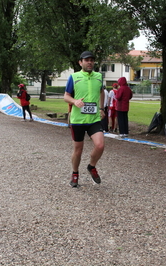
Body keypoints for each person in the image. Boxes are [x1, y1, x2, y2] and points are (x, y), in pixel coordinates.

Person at [64, 51, 105, 187]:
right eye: (86, 60)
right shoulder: (74, 77)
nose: (90, 62)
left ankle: (91, 167)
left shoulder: (99, 76)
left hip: (94, 119)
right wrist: (75, 101)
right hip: (78, 120)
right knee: (78, 150)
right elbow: (66, 96)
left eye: (92, 60)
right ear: (80, 62)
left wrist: (101, 108)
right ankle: (75, 173)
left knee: (100, 145)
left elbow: (101, 91)